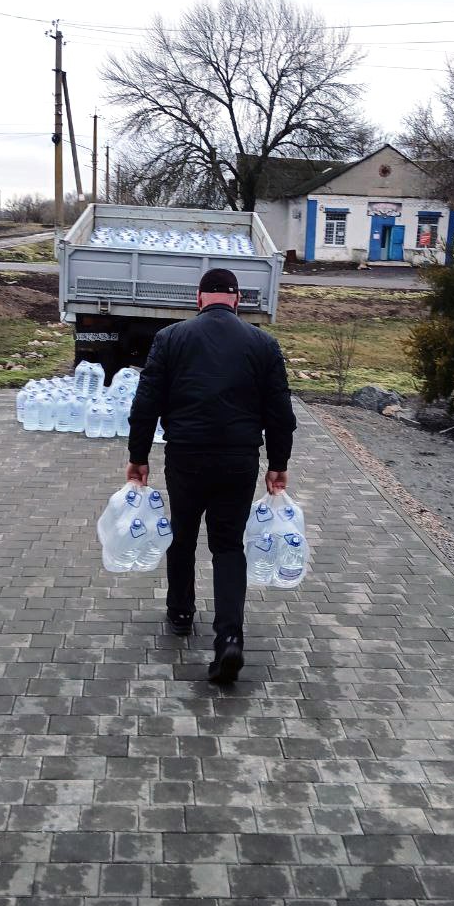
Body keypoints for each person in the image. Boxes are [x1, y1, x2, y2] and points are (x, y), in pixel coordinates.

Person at [125, 267, 296, 684]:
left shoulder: (170, 339)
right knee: (227, 546)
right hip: (239, 460)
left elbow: (146, 404)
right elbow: (281, 415)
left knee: (182, 536)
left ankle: (181, 612)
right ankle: (229, 638)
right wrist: (278, 464)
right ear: (237, 299)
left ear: (199, 298)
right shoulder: (263, 344)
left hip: (186, 456)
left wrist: (138, 456)